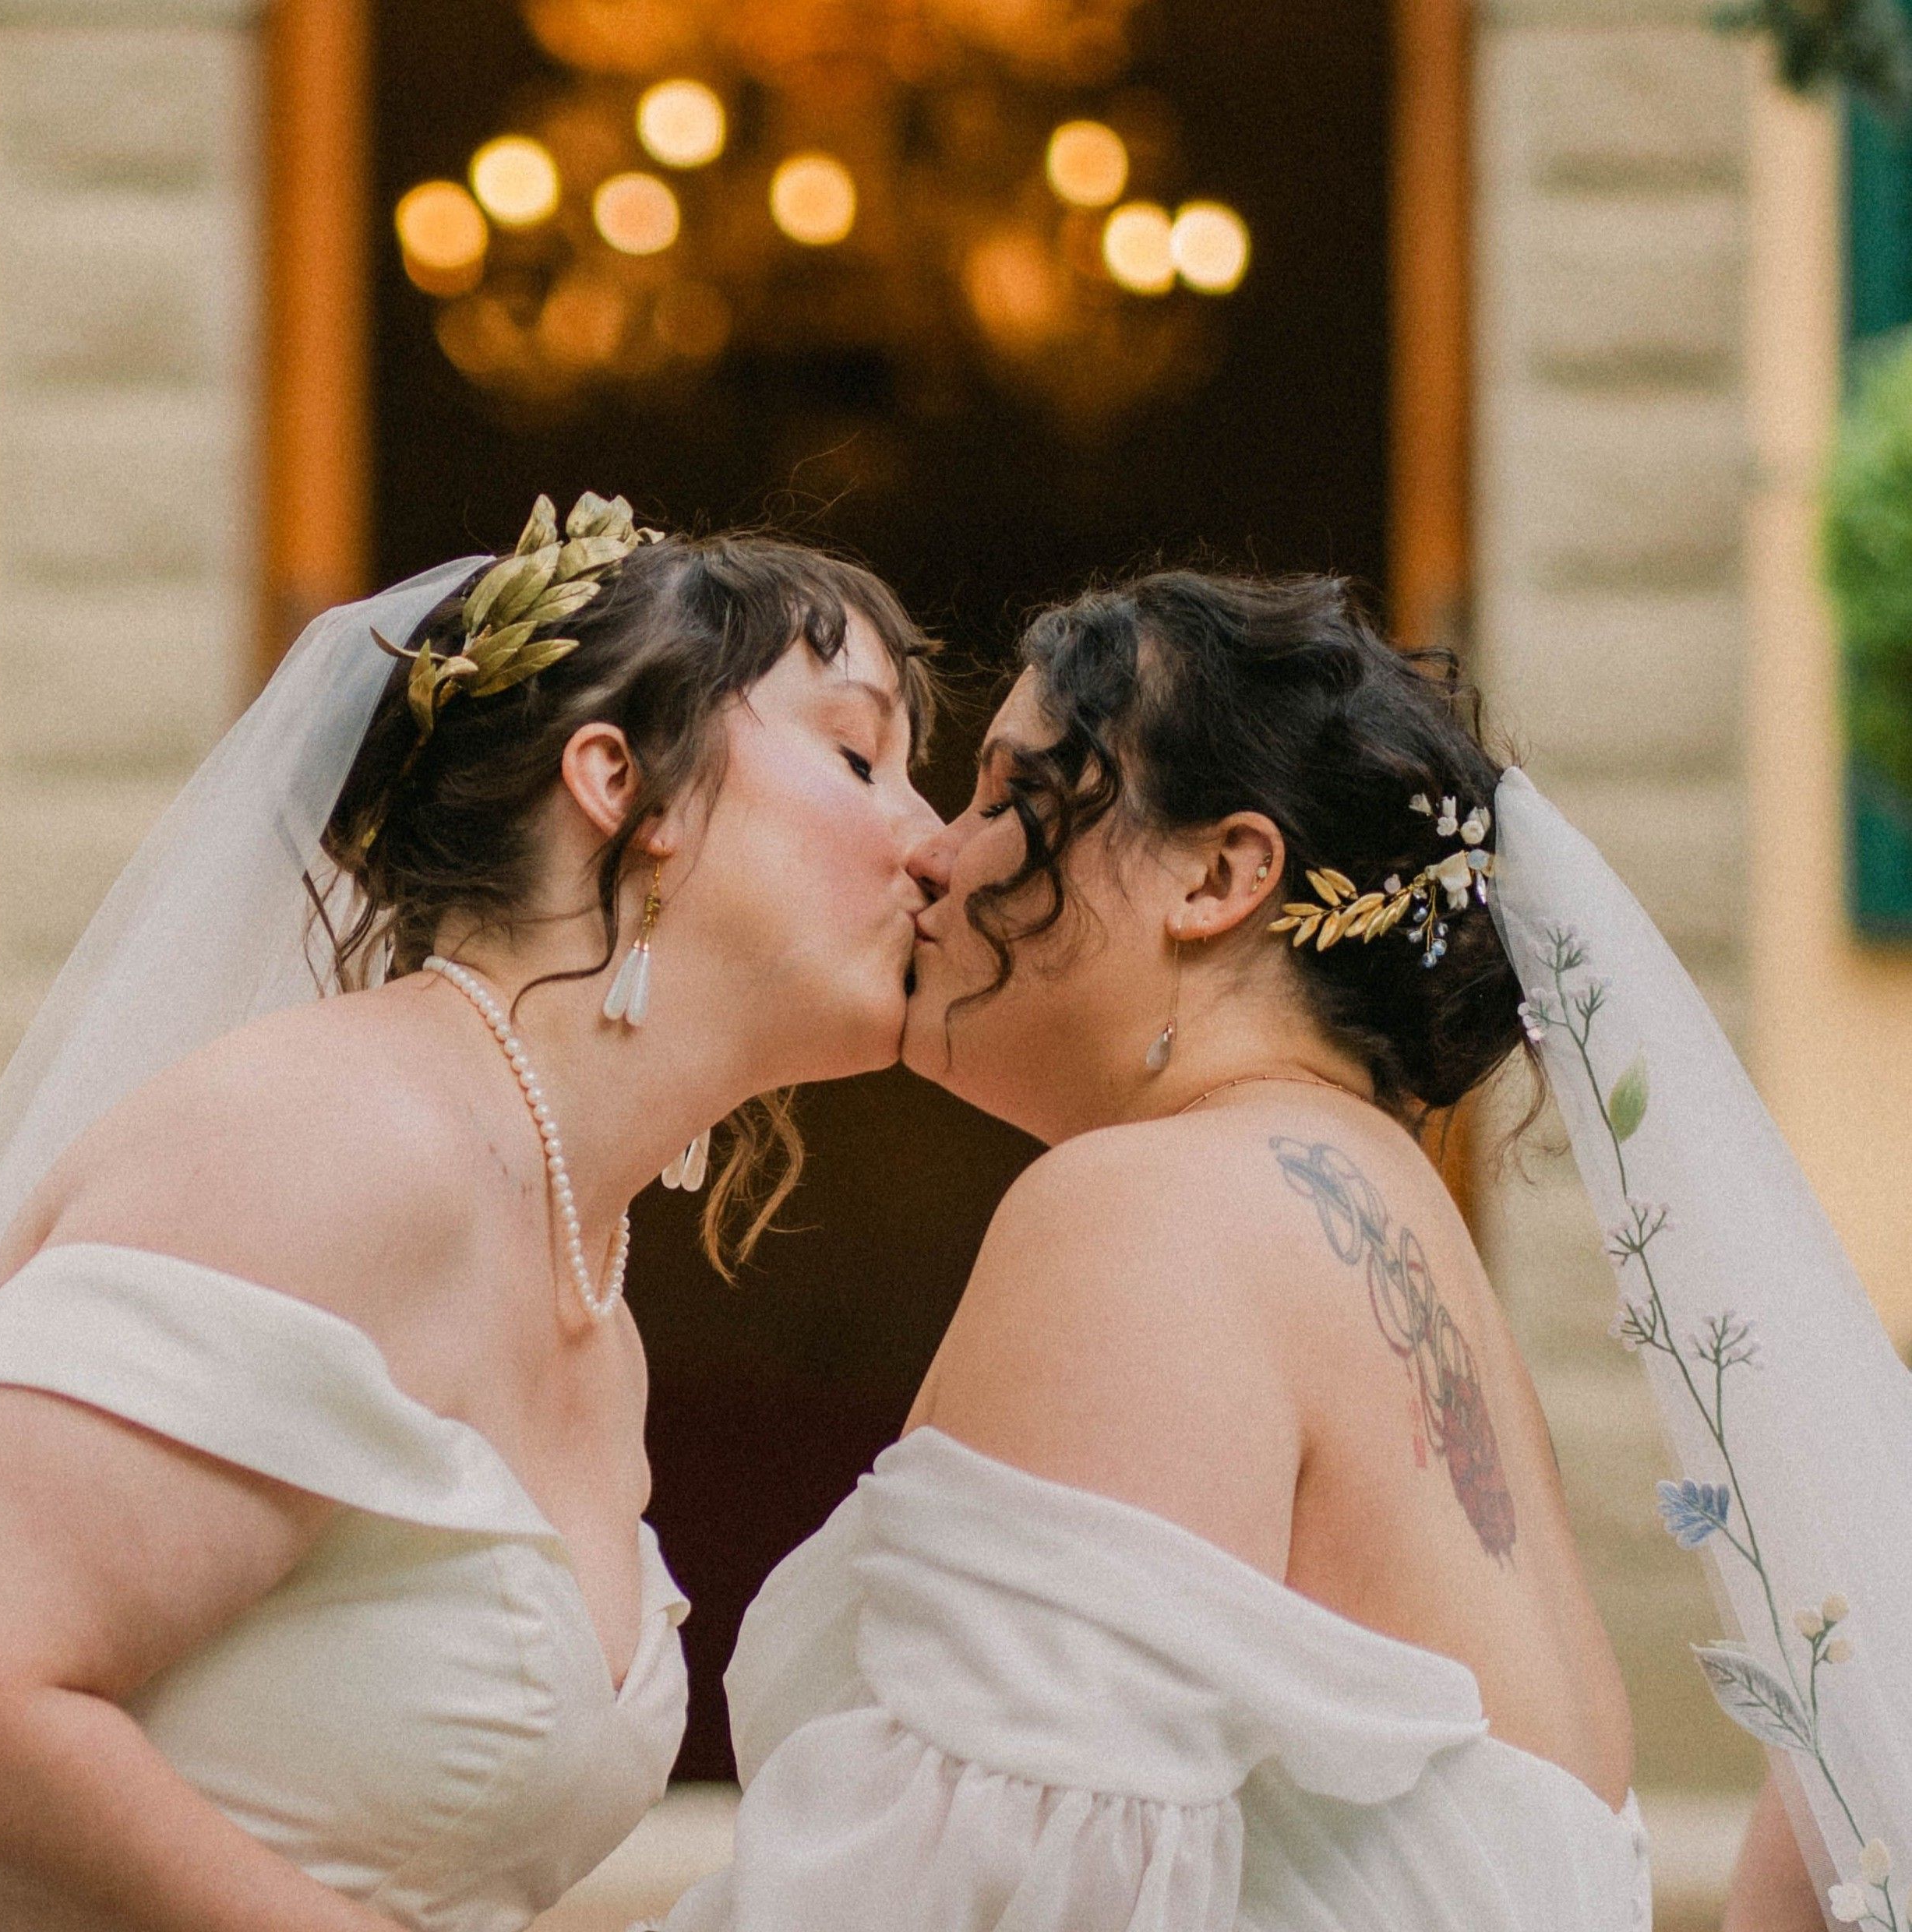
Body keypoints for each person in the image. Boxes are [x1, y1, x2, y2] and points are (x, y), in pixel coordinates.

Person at [0, 495, 941, 1932]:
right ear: (627, 787)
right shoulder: (334, 1142)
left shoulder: (589, 1288)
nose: (930, 844)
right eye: (861, 756)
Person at [667, 569, 1649, 1932]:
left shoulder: (1157, 1209)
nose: (938, 855)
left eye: (1010, 797)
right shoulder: (1401, 1227)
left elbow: (968, 1900)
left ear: (1218, 874)